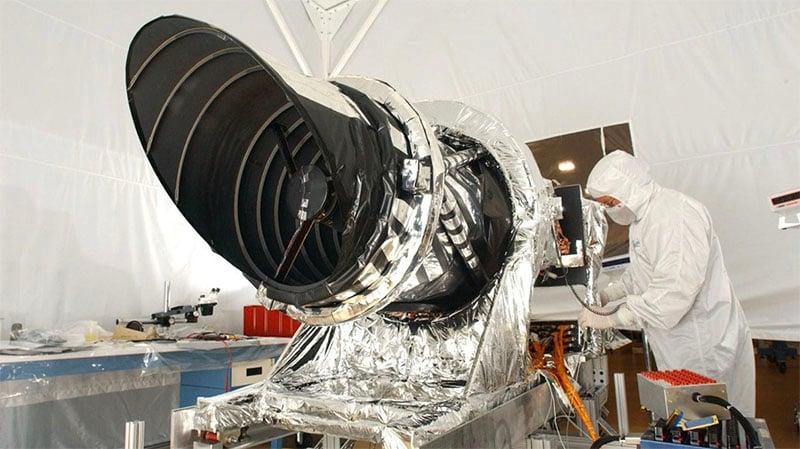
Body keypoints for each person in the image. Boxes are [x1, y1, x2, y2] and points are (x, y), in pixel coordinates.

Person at [578, 150, 755, 417]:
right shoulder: (645, 218)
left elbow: (673, 294)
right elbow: (643, 275)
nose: (609, 209)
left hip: (703, 345)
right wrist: (609, 293)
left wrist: (615, 317)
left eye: (610, 202)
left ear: (629, 190)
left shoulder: (674, 216)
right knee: (693, 424)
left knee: (715, 426)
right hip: (680, 344)